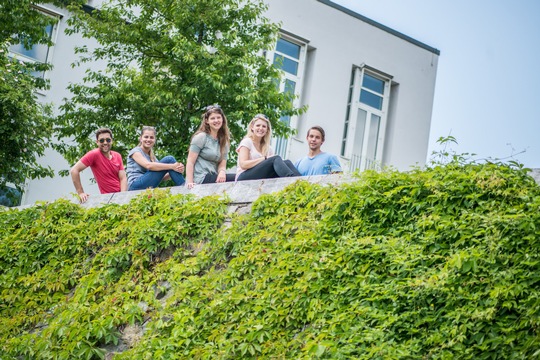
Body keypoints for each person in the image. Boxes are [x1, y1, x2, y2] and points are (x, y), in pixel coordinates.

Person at [236, 114, 300, 181]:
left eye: (264, 126)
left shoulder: (268, 148)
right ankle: (292, 181)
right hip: (243, 177)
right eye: (258, 125)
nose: (261, 128)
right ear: (252, 127)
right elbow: (243, 164)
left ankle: (301, 181)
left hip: (260, 177)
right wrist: (264, 159)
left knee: (287, 162)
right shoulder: (247, 142)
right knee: (275, 158)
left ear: (267, 130)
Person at [70, 127, 128, 203]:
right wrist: (80, 193)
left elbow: (123, 178)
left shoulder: (117, 155)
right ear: (97, 142)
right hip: (108, 198)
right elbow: (74, 170)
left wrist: (122, 196)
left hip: (122, 195)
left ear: (112, 141)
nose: (105, 143)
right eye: (101, 140)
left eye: (108, 140)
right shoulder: (94, 154)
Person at [185, 105, 236, 189]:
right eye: (212, 118)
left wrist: (222, 172)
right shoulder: (201, 137)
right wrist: (190, 182)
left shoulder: (224, 141)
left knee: (239, 178)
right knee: (237, 178)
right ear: (207, 121)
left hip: (214, 176)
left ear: (222, 119)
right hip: (201, 177)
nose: (216, 120)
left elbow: (222, 164)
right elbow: (190, 161)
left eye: (218, 117)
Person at [126, 126, 185, 190]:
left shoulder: (153, 157)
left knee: (169, 162)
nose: (148, 140)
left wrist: (177, 169)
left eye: (151, 137)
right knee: (169, 159)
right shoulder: (135, 152)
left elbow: (162, 177)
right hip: (135, 185)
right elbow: (148, 165)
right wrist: (172, 166)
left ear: (155, 140)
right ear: (140, 138)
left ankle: (183, 185)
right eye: (146, 137)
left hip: (146, 184)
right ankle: (185, 187)